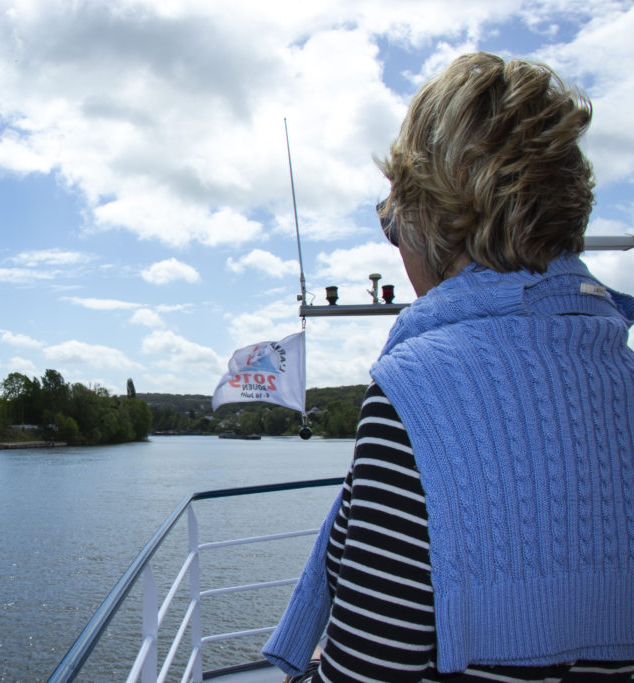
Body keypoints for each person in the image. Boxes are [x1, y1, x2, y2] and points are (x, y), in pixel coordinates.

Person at [263, 52, 634, 682]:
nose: (396, 244)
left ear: (430, 221)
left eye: (393, 222)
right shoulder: (619, 371)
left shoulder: (417, 398)